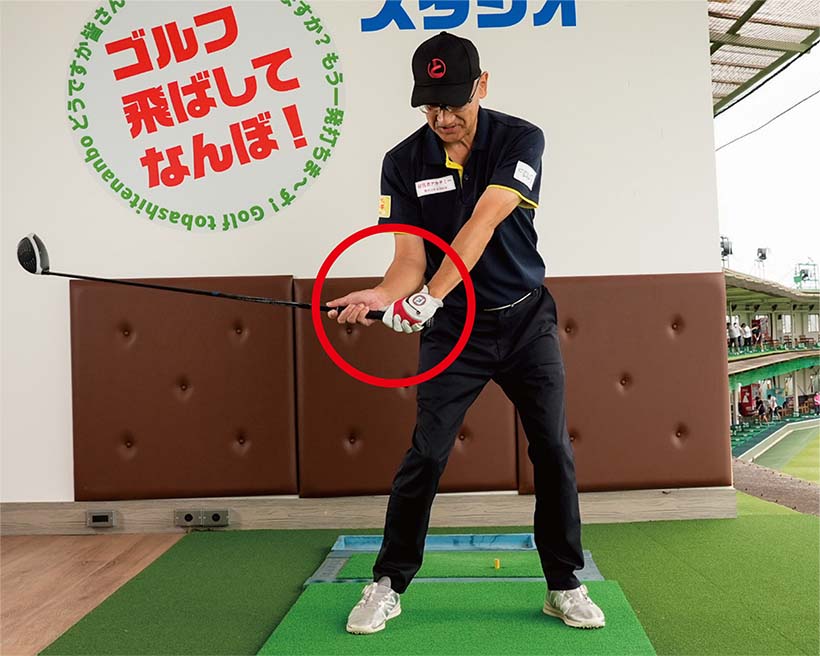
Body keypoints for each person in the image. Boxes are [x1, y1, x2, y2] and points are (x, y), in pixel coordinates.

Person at [327, 31, 605, 634]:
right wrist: (384, 296)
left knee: (552, 450)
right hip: (456, 330)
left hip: (525, 319)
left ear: (482, 85)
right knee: (427, 452)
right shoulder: (402, 162)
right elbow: (408, 258)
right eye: (430, 106)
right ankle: (387, 583)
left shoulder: (520, 139)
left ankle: (563, 582)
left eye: (454, 102)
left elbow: (482, 223)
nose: (443, 118)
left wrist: (429, 296)